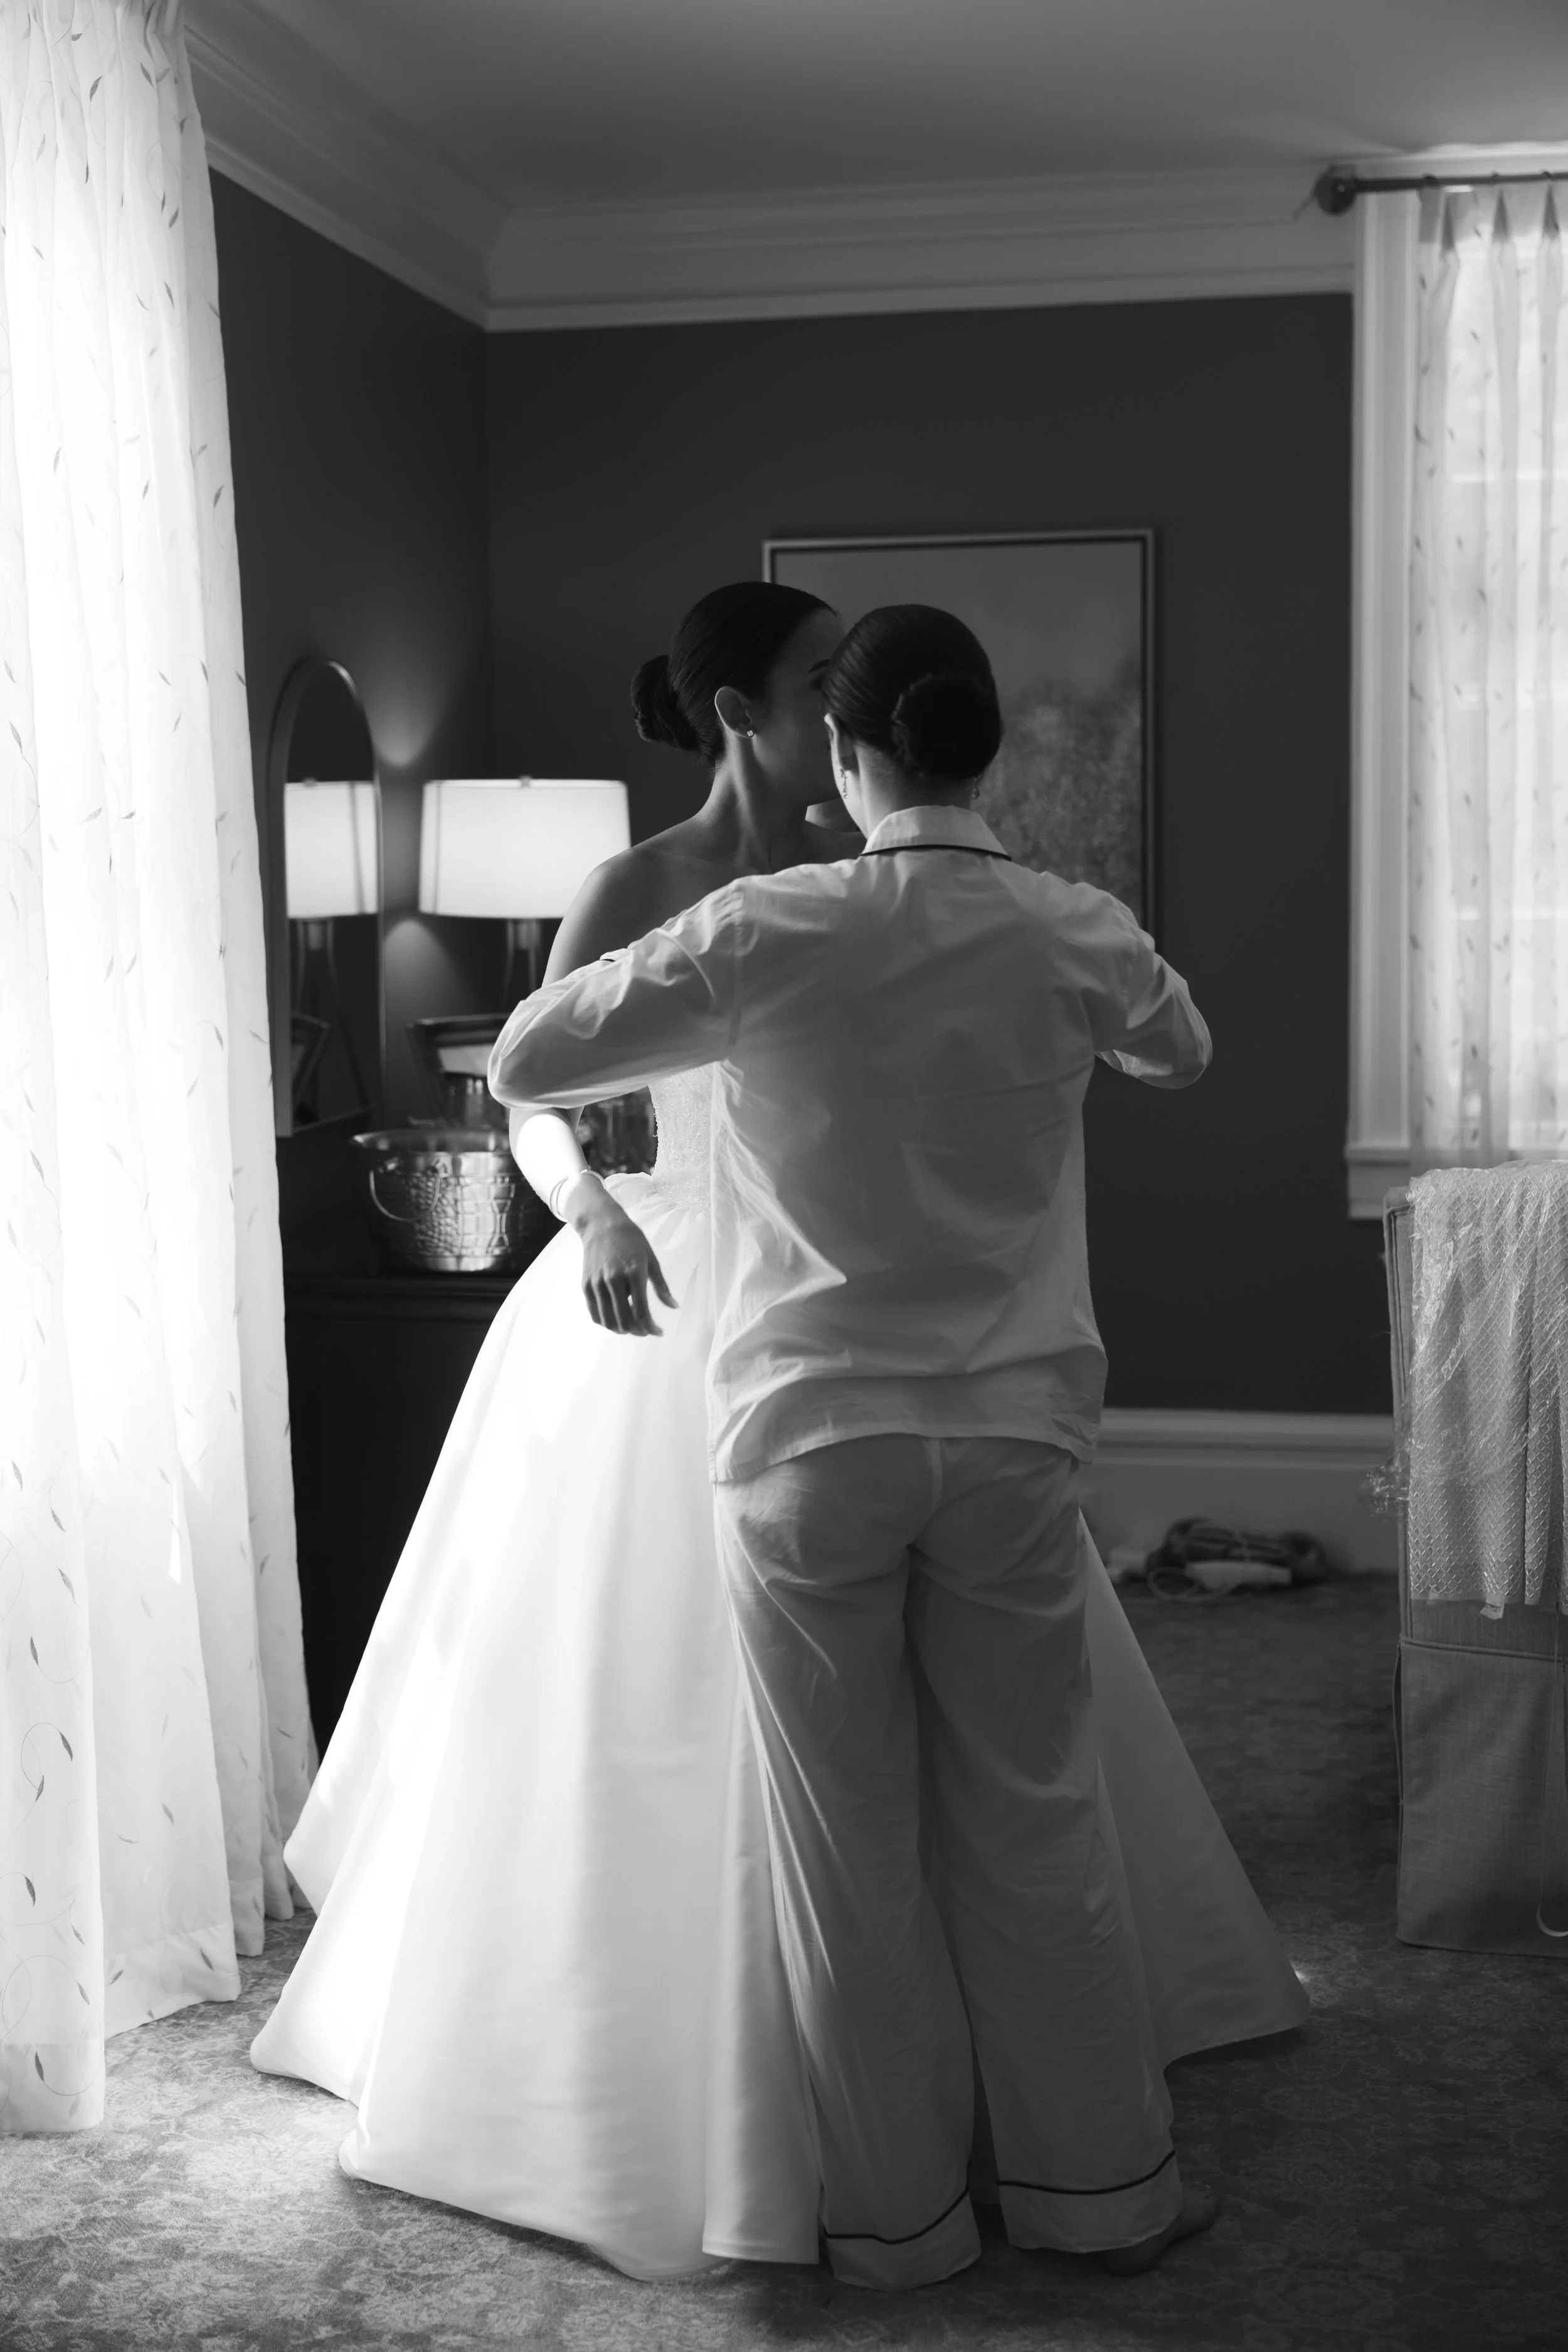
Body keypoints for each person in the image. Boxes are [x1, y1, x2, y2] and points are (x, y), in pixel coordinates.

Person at [252, 585, 1304, 2283]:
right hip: (1006, 1429)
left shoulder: (768, 931)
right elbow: (1176, 1045)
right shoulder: (1066, 922)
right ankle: (1098, 2184)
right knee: (1030, 1811)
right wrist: (601, 1197)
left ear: (847, 740)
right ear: (978, 745)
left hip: (805, 1418)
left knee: (840, 1843)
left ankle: (892, 2221)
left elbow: (523, 1048)